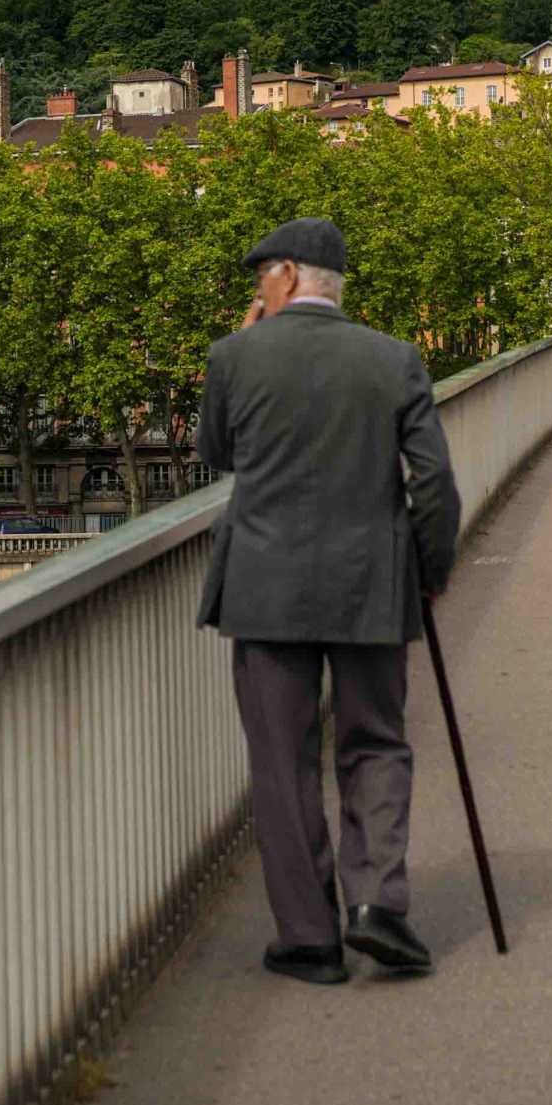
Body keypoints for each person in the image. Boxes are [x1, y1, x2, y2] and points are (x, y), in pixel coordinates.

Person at [196, 217, 461, 985]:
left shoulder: (235, 356)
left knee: (282, 760)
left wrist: (245, 342)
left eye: (260, 282)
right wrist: (428, 569)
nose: (257, 294)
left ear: (284, 276)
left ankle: (309, 937)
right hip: (370, 584)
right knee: (375, 741)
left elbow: (218, 453)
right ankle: (377, 905)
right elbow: (435, 484)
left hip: (263, 587)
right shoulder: (393, 359)